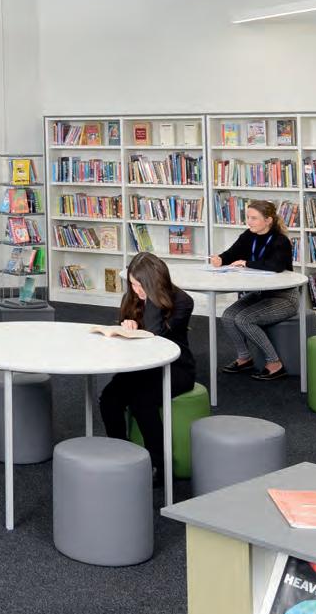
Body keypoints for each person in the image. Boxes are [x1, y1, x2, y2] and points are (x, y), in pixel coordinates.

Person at [99, 252, 196, 482]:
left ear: (154, 283)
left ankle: (159, 466)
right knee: (109, 398)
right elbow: (129, 334)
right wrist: (127, 324)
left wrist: (151, 298)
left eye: (139, 285)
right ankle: (122, 454)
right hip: (141, 366)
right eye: (132, 284)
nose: (135, 290)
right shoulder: (133, 296)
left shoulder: (183, 301)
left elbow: (156, 336)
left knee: (142, 401)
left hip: (175, 368)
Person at [212, 199, 297, 380]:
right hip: (259, 294)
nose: (248, 222)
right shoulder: (248, 235)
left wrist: (247, 263)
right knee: (228, 316)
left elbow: (275, 266)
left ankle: (275, 364)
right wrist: (220, 259)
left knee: (244, 319)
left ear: (268, 220)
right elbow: (232, 253)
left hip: (284, 298)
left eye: (254, 218)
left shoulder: (280, 241)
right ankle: (245, 358)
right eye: (247, 217)